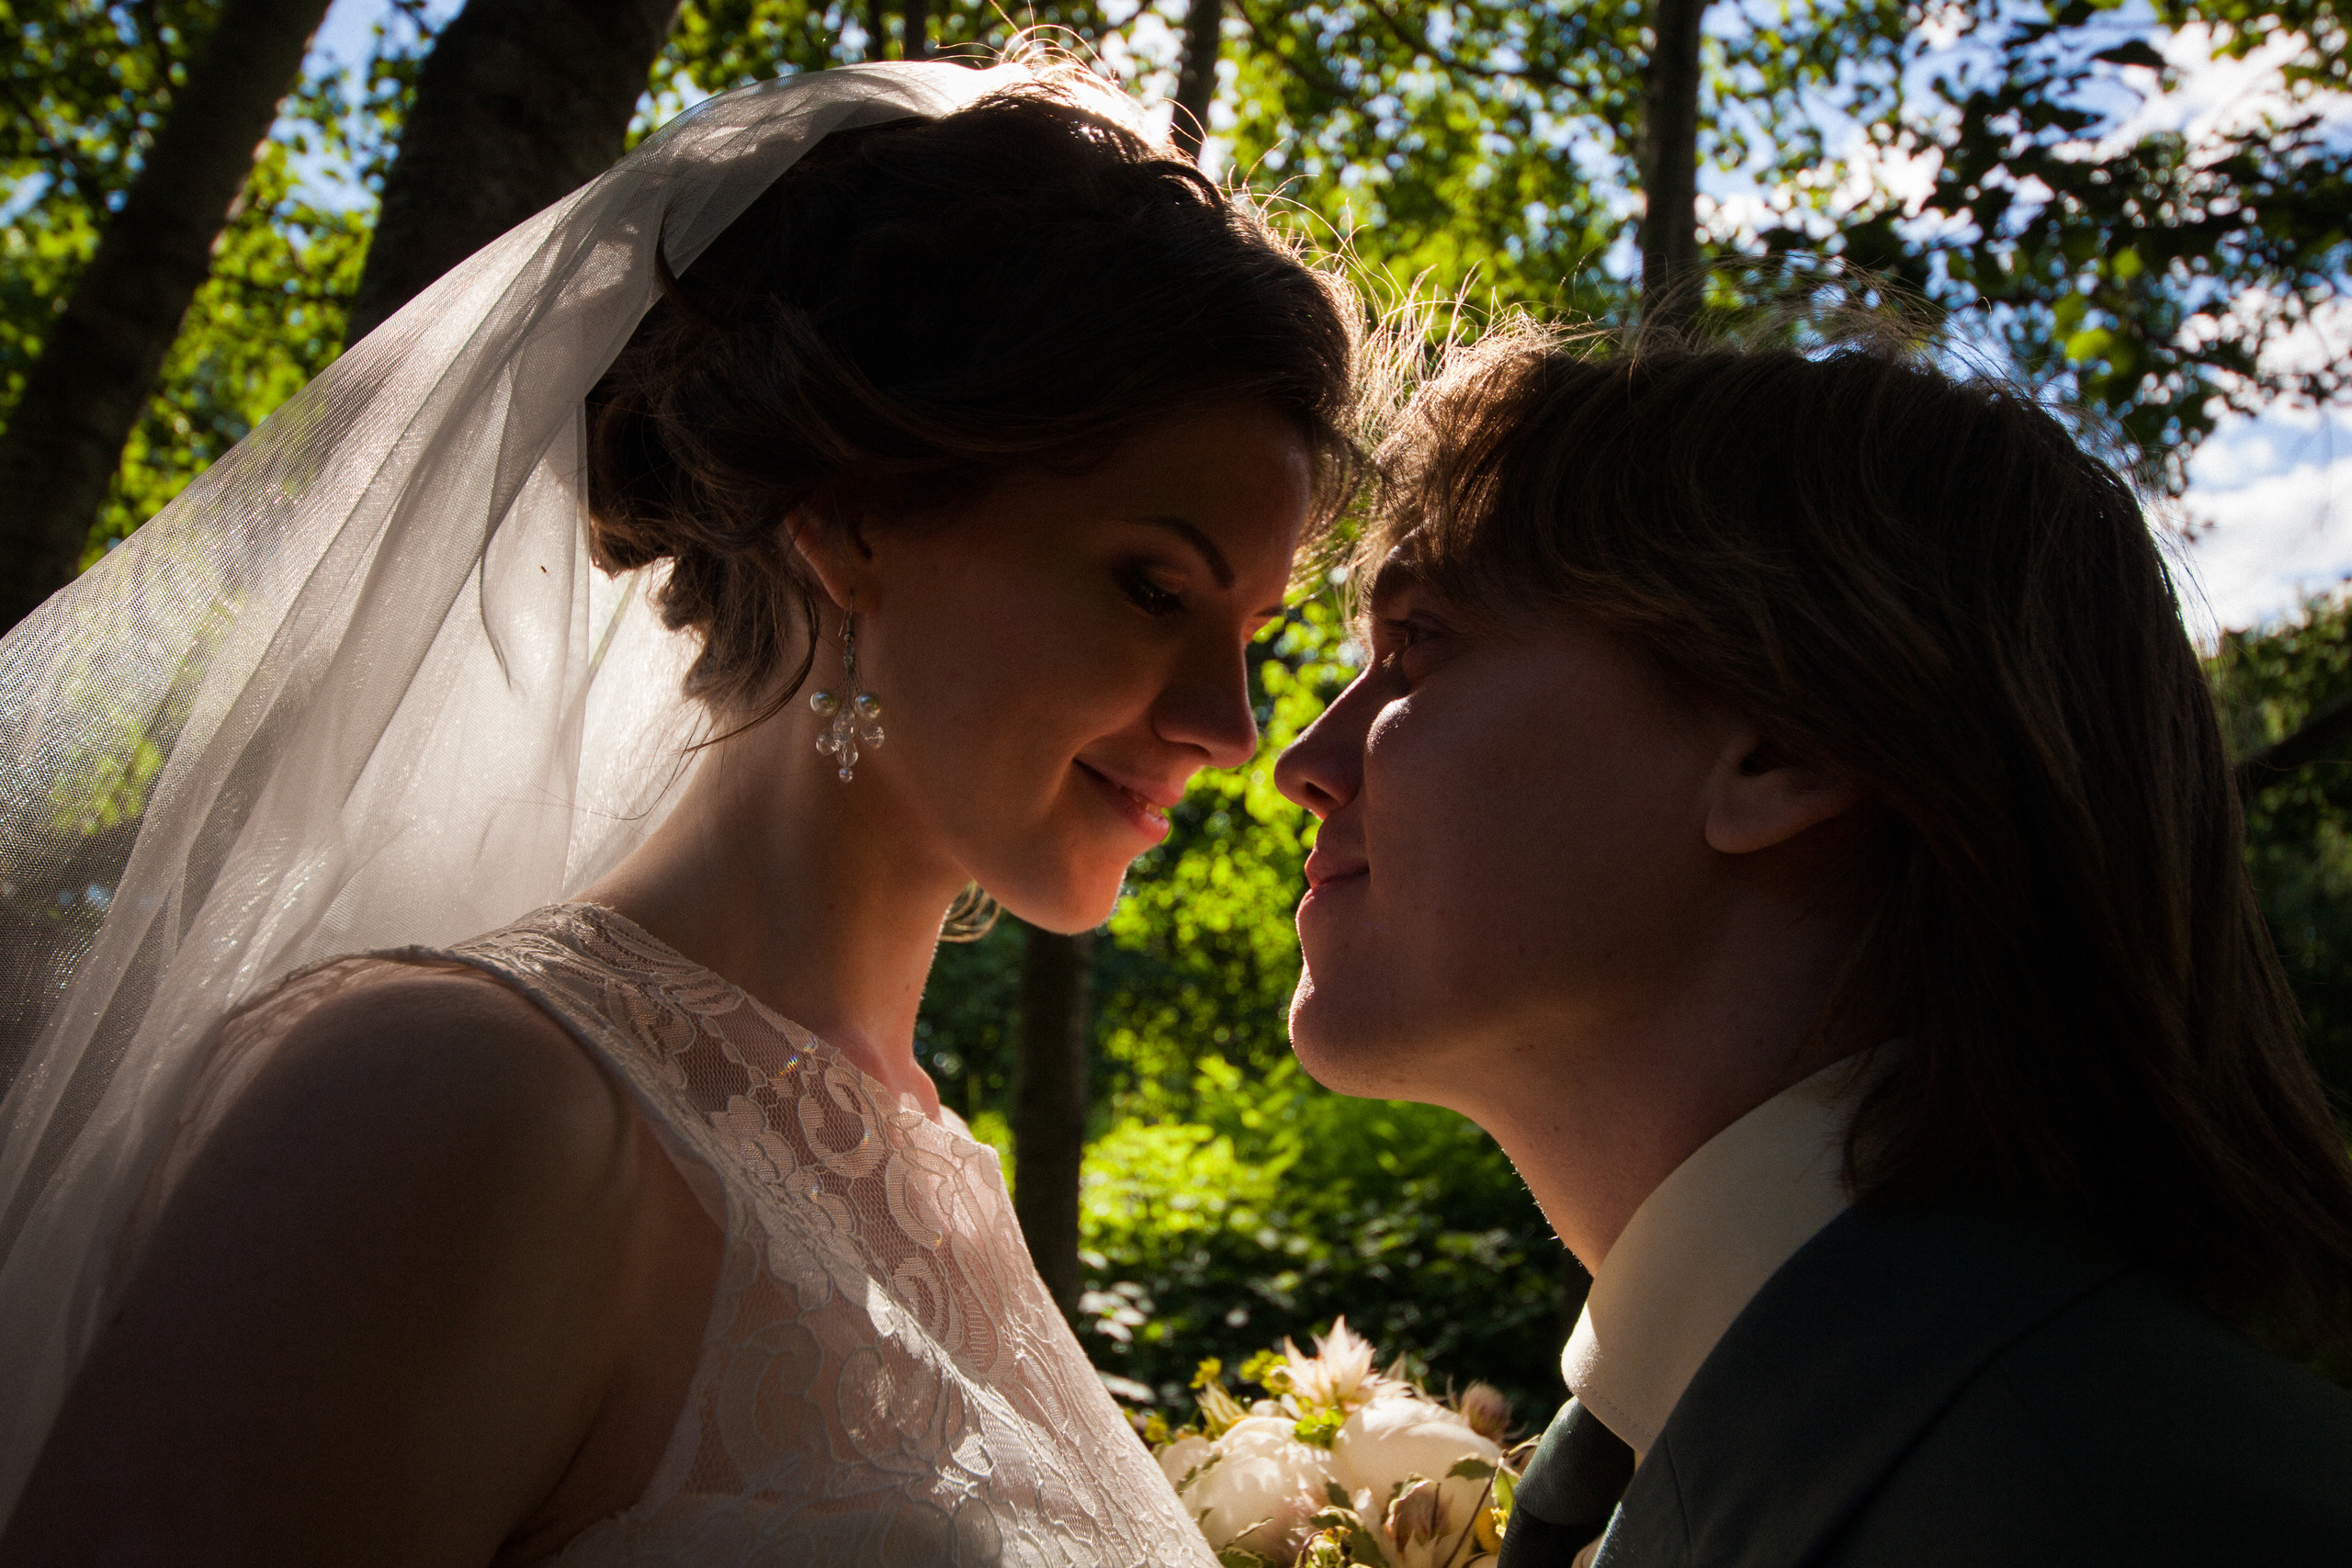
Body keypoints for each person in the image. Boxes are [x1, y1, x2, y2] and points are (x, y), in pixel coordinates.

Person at [0, 60, 1366, 1564]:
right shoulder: (459, 1097)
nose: (1231, 730)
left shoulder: (935, 1184)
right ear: (853, 518)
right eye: (1151, 588)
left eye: (1245, 636)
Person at [1274, 319, 2352, 1566]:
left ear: (1782, 749)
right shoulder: (1797, 1442)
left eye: (1416, 649)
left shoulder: (2146, 1524)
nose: (1306, 763)